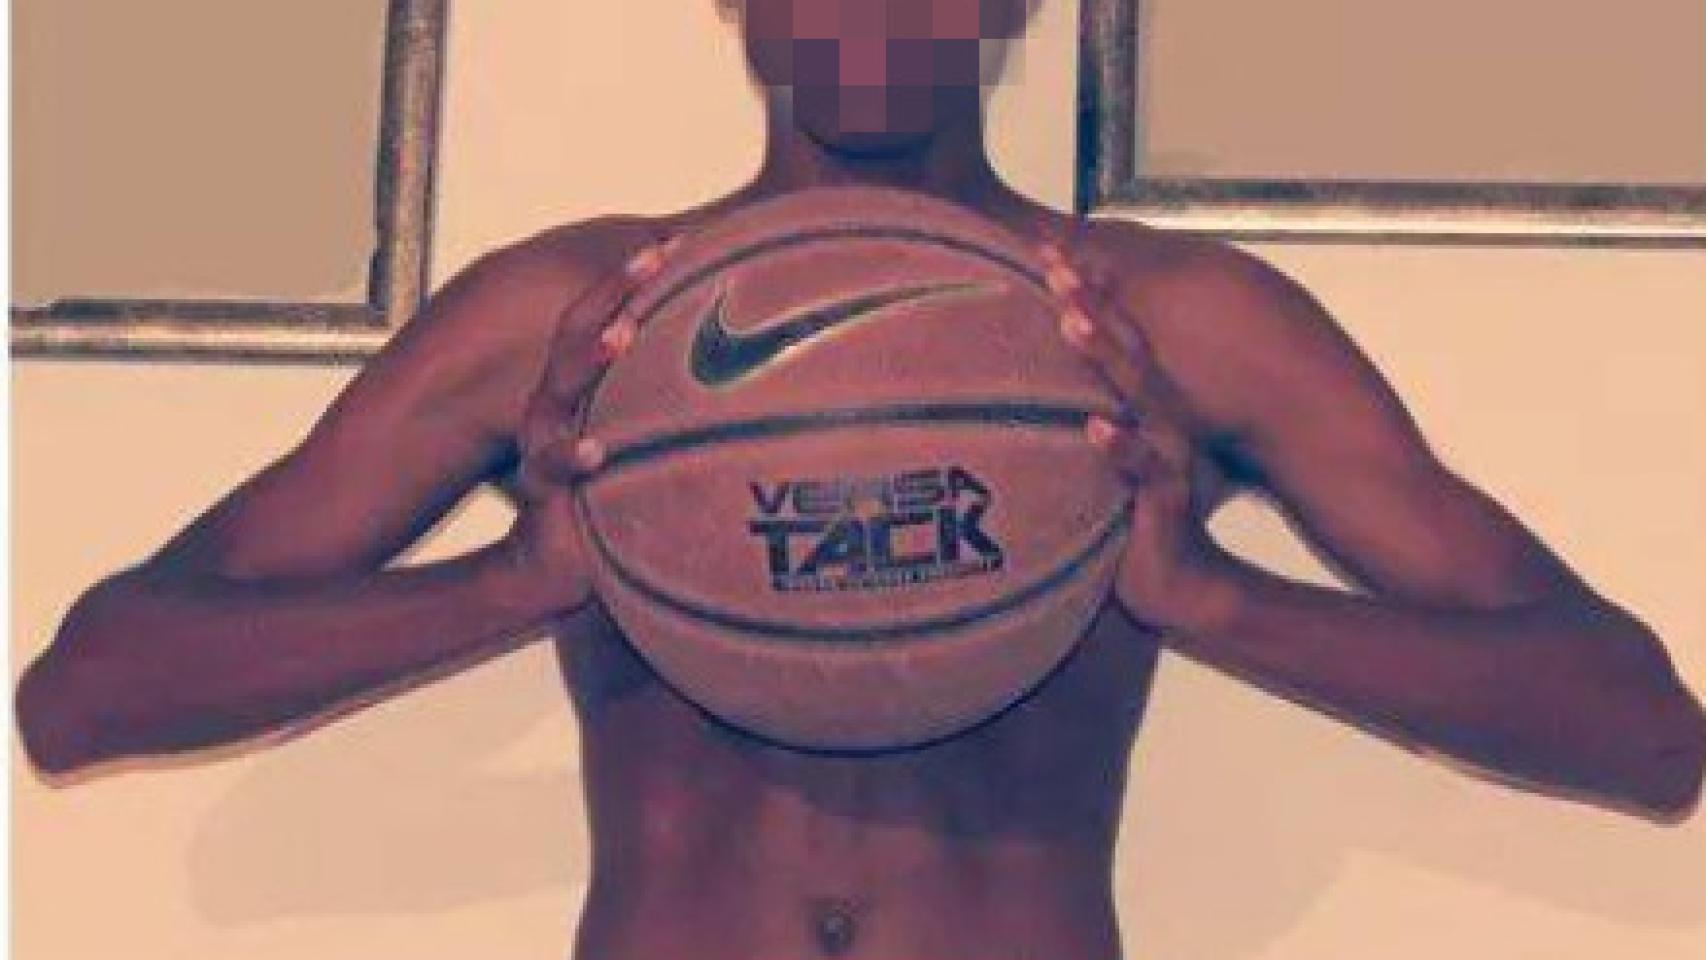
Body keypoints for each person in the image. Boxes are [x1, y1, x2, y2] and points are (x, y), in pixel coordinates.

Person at [16, 0, 1705, 957]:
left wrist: (1208, 598)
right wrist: (514, 580)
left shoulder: (1170, 323)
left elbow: (1638, 735)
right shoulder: (579, 322)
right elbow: (88, 697)